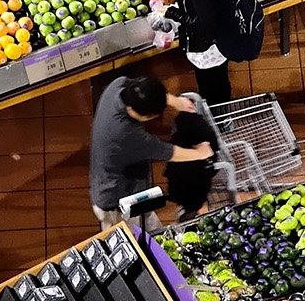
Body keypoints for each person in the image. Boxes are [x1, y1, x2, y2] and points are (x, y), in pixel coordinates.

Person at [90, 71, 216, 226]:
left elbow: (145, 90)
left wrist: (174, 101)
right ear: (133, 111)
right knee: (133, 233)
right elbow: (168, 152)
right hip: (117, 198)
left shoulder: (118, 85)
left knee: (147, 219)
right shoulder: (125, 134)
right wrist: (200, 153)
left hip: (126, 177)